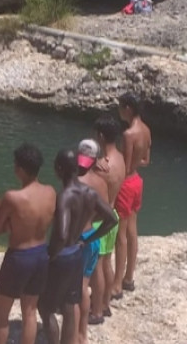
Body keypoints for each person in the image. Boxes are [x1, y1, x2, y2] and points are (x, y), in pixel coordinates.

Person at [38, 149, 117, 344]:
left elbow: (63, 233)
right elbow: (112, 218)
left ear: (58, 170)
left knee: (45, 307)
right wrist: (88, 240)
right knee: (68, 304)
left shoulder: (65, 196)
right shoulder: (90, 193)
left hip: (63, 254)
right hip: (76, 251)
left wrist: (51, 255)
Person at [0, 143, 56, 344]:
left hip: (19, 256)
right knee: (30, 311)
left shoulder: (13, 197)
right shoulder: (51, 192)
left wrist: (14, 226)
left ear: (19, 169)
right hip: (41, 254)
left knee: (1, 315)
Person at [112, 93, 151, 297]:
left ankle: (117, 284)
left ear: (128, 108)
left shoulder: (129, 135)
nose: (119, 111)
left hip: (126, 184)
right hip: (138, 182)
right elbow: (145, 160)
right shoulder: (146, 130)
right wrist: (134, 163)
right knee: (133, 231)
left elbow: (124, 168)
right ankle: (129, 278)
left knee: (121, 235)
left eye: (120, 107)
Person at [92, 115, 125, 316]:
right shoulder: (120, 158)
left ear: (101, 136)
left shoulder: (102, 167)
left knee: (97, 267)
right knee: (106, 262)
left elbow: (83, 180)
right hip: (113, 214)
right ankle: (105, 304)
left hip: (99, 220)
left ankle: (97, 310)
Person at [76, 139, 109, 336]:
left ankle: (78, 333)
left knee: (80, 286)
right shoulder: (101, 181)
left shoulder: (76, 182)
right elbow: (105, 212)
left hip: (82, 234)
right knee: (89, 279)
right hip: (95, 232)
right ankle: (87, 326)